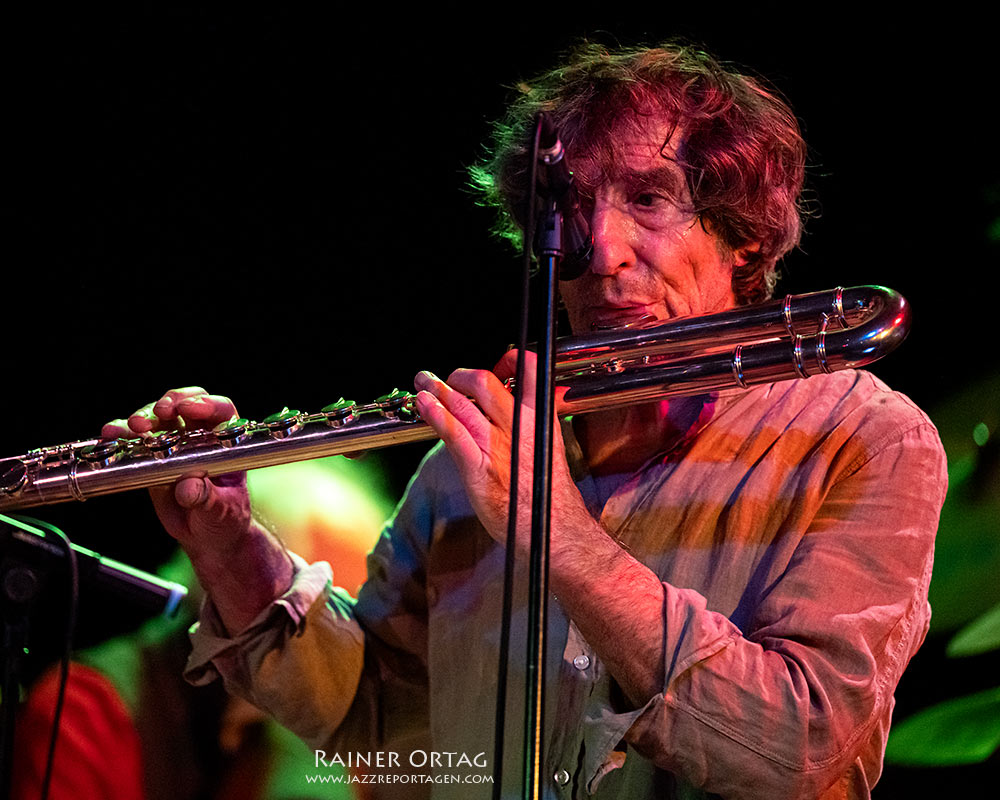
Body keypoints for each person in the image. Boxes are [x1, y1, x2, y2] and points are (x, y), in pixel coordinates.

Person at [103, 43, 948, 799]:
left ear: (745, 240)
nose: (602, 250)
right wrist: (232, 549)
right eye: (569, 215)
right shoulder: (475, 462)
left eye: (650, 199)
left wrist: (558, 532)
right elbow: (375, 720)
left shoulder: (865, 440)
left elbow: (796, 754)